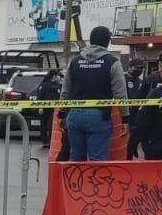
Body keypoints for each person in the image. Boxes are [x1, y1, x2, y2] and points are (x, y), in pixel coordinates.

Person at [60, 25, 128, 161]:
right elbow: (120, 94)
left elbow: (65, 91)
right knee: (97, 162)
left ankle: (76, 182)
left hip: (74, 114)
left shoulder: (74, 61)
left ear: (90, 40)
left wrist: (62, 114)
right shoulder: (113, 62)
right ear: (108, 42)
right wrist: (125, 118)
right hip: (99, 116)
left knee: (76, 159)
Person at [34, 69, 61, 151]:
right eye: (57, 75)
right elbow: (40, 97)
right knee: (43, 125)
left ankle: (50, 141)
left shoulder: (59, 85)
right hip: (45, 109)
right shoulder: (44, 85)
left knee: (51, 125)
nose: (58, 77)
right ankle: (45, 141)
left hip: (54, 110)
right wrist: (40, 107)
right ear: (53, 76)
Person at [125, 61, 146, 160]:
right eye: (137, 68)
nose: (140, 70)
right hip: (125, 111)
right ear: (130, 67)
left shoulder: (140, 81)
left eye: (141, 68)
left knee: (135, 135)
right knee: (126, 135)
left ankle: (133, 151)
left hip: (137, 112)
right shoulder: (123, 78)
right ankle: (128, 154)